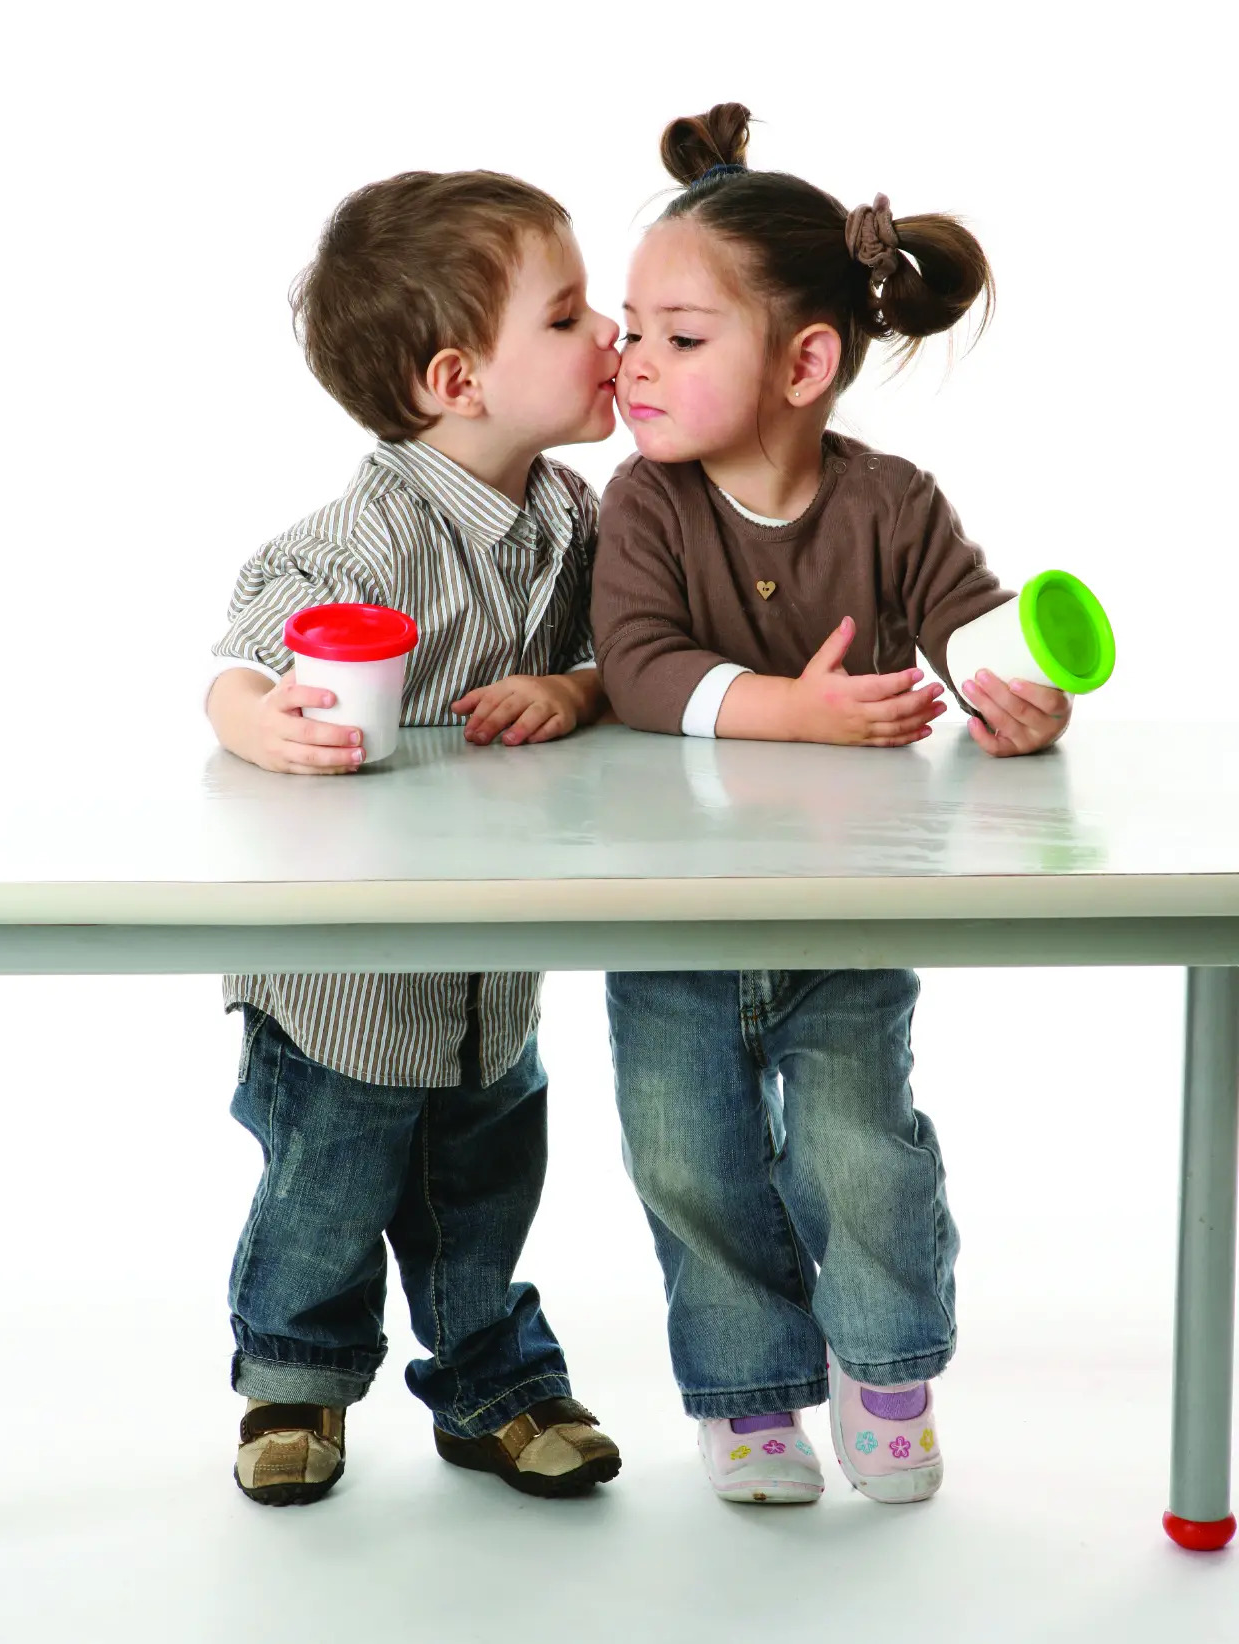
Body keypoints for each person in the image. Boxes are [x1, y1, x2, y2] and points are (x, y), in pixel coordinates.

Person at [592, 103, 1072, 1507]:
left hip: (847, 903)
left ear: (806, 362)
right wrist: (788, 707)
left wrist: (1015, 698)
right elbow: (635, 670)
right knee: (691, 1157)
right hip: (676, 912)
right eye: (630, 330)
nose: (634, 365)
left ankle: (885, 1366)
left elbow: (972, 623)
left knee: (867, 1149)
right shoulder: (645, 508)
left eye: (680, 338)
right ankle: (745, 1395)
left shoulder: (893, 505)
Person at [206, 168, 624, 1505]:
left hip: (488, 967)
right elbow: (247, 644)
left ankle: (493, 1380)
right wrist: (251, 718)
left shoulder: (571, 518)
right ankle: (295, 1377)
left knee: (486, 1188)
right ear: (459, 379)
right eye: (568, 317)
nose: (611, 330)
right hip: (349, 980)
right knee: (327, 1195)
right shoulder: (368, 538)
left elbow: (628, 655)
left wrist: (576, 686)